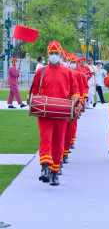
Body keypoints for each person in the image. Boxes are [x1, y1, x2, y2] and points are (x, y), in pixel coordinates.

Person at [29, 41, 80, 186]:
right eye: (51, 53)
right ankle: (44, 168)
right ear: (47, 54)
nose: (53, 56)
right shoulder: (41, 71)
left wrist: (75, 99)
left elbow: (75, 91)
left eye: (56, 53)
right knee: (45, 139)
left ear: (61, 55)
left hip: (61, 113)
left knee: (58, 143)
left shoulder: (68, 72)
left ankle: (54, 172)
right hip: (45, 114)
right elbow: (33, 91)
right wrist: (30, 99)